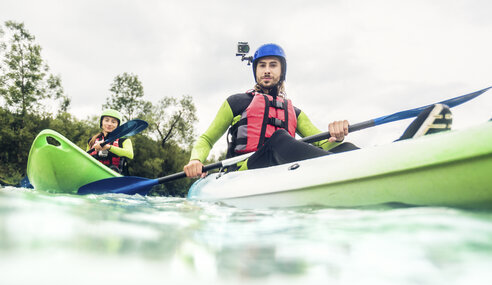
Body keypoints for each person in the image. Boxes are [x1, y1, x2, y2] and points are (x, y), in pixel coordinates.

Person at [184, 43, 451, 178]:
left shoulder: (295, 111)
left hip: (281, 172)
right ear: (255, 70)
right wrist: (196, 159)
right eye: (262, 65)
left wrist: (336, 134)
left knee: (341, 149)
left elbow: (322, 141)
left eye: (273, 65)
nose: (267, 69)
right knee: (279, 138)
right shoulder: (237, 102)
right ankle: (362, 168)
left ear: (281, 71)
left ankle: (395, 154)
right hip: (242, 172)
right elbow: (207, 139)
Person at [87, 109, 134, 175]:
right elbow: (86, 159)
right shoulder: (92, 140)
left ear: (118, 125)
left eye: (113, 122)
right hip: (94, 176)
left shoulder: (124, 140)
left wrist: (108, 147)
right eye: (106, 120)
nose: (109, 124)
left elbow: (130, 154)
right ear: (101, 122)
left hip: (116, 178)